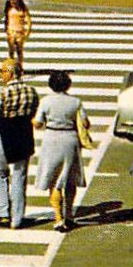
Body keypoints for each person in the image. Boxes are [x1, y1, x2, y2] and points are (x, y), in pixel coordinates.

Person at [34, 70, 93, 232]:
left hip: (51, 139)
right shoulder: (75, 102)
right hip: (70, 139)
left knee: (54, 180)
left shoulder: (46, 102)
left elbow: (38, 123)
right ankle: (69, 215)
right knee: (70, 178)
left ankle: (58, 218)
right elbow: (86, 123)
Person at [0, 60, 39, 229]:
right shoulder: (31, 91)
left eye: (2, 71)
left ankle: (1, 213)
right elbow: (35, 115)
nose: (0, 74)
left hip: (5, 135)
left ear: (10, 73)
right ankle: (17, 218)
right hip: (24, 135)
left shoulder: (3, 93)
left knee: (0, 172)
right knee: (19, 176)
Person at [4, 0, 32, 71]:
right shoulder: (9, 8)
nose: (13, 2)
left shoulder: (23, 8)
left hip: (20, 32)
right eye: (11, 0)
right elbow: (6, 20)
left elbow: (29, 20)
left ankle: (20, 66)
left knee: (19, 51)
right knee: (11, 51)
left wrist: (27, 31)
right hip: (11, 31)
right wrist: (6, 30)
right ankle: (11, 67)